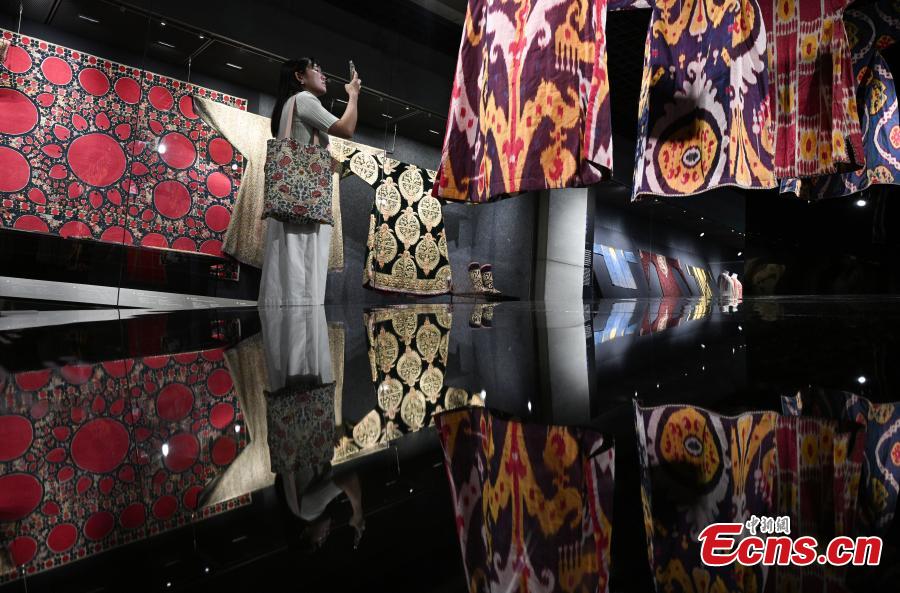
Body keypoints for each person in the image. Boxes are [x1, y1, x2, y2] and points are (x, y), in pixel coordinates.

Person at [260, 58, 361, 306]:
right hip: (305, 206)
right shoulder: (305, 99)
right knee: (303, 269)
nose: (323, 75)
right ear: (299, 76)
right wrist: (353, 94)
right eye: (316, 69)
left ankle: (284, 323)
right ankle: (300, 324)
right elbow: (346, 129)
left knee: (285, 269)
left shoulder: (289, 105)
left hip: (289, 202)